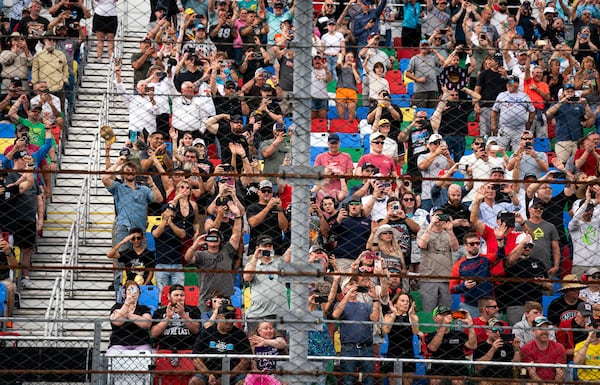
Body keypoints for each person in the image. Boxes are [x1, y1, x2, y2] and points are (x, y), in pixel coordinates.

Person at [185, 211, 242, 310]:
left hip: (225, 298)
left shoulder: (227, 250)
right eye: (210, 237)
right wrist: (195, 245)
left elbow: (236, 235)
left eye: (215, 237)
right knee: (205, 323)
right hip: (206, 298)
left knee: (225, 323)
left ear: (220, 240)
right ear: (206, 239)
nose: (213, 239)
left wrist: (237, 216)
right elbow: (187, 258)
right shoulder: (200, 255)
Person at [332, 275, 381, 385]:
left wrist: (375, 299)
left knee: (369, 381)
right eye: (350, 284)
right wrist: (348, 294)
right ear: (344, 289)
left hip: (366, 348)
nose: (354, 287)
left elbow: (375, 318)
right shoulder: (339, 305)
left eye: (355, 285)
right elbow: (335, 314)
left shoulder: (365, 305)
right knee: (347, 381)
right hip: (348, 348)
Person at [190, 304, 251, 385]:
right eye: (227, 317)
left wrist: (227, 376)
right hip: (209, 372)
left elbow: (245, 361)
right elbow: (196, 359)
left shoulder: (240, 334)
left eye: (233, 317)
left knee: (243, 382)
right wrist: (209, 375)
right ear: (218, 317)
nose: (231, 320)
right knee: (195, 381)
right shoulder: (207, 332)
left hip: (233, 374)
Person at [243, 236, 290, 332]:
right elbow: (247, 277)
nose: (267, 248)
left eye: (270, 246)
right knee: (256, 345)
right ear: (257, 248)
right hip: (257, 314)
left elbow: (291, 251)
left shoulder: (280, 262)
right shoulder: (252, 264)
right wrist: (255, 257)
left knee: (279, 345)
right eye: (264, 246)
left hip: (278, 314)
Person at [417, 206, 459, 312]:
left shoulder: (448, 233)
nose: (439, 218)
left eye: (441, 215)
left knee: (445, 311)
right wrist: (431, 224)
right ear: (430, 217)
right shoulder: (423, 231)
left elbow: (455, 248)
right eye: (436, 215)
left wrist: (450, 230)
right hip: (428, 278)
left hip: (446, 278)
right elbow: (422, 244)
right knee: (429, 310)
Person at [426, 306, 477, 385]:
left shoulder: (458, 334)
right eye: (442, 315)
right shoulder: (430, 335)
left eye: (447, 314)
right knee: (434, 381)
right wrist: (444, 326)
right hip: (439, 367)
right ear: (434, 318)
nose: (445, 317)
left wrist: (470, 324)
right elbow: (433, 348)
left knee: (457, 382)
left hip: (457, 367)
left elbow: (472, 346)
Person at [545, 83, 595, 164]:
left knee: (577, 163)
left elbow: (588, 116)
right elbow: (548, 114)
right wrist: (561, 102)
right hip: (563, 139)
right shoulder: (558, 104)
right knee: (562, 163)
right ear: (563, 93)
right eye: (567, 91)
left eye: (572, 91)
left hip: (577, 139)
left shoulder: (579, 105)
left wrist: (585, 104)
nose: (570, 93)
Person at [381, 292, 421, 385]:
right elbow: (385, 330)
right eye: (402, 300)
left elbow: (415, 331)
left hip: (408, 353)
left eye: (407, 301)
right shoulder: (388, 316)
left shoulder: (413, 317)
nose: (406, 303)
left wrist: (411, 315)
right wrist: (394, 314)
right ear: (395, 304)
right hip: (393, 352)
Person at [151, 284, 202, 350]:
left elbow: (196, 330)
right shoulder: (159, 311)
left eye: (182, 295)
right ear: (169, 296)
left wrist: (183, 315)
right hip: (165, 347)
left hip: (188, 347)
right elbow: (153, 334)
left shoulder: (194, 310)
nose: (179, 298)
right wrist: (168, 317)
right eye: (176, 295)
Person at [490, 75, 535, 151]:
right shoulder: (502, 95)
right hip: (504, 128)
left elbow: (532, 111)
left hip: (520, 129)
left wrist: (528, 124)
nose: (508, 84)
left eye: (511, 82)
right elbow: (494, 111)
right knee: (501, 151)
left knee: (518, 152)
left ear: (517, 84)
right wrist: (493, 125)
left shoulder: (524, 96)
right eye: (507, 82)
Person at [107, 281, 153, 354]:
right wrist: (127, 303)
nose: (132, 292)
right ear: (124, 294)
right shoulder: (117, 306)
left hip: (140, 343)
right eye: (129, 290)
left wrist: (127, 314)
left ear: (139, 293)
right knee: (114, 352)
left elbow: (146, 324)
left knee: (145, 352)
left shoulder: (143, 308)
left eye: (135, 290)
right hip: (119, 343)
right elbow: (117, 322)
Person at [473, 318, 521, 383]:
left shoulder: (507, 345)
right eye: (494, 330)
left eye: (500, 330)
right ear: (487, 332)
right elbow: (478, 367)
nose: (498, 333)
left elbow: (516, 366)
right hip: (487, 380)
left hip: (506, 380)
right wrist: (493, 349)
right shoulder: (480, 346)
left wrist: (516, 349)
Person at [520, 316, 566, 383]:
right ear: (534, 331)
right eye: (541, 328)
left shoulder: (559, 347)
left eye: (546, 328)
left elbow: (560, 372)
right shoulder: (527, 348)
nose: (544, 331)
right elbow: (532, 373)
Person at [151, 204, 186, 291]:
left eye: (172, 213)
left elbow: (182, 235)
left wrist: (170, 223)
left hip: (177, 263)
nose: (171, 215)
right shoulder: (155, 227)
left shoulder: (178, 226)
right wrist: (165, 220)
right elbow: (156, 234)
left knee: (178, 290)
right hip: (161, 264)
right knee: (161, 291)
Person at [417, 134, 454, 212]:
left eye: (439, 143)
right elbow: (422, 167)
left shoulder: (446, 158)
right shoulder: (423, 156)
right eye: (435, 143)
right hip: (427, 194)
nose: (438, 145)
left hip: (442, 194)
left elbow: (453, 171)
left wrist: (448, 157)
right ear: (429, 145)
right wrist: (435, 154)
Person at [246, 321, 287, 385]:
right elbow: (253, 363)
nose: (269, 331)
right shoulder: (254, 342)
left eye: (271, 328)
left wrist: (265, 342)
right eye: (265, 328)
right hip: (261, 375)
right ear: (259, 331)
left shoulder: (277, 339)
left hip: (277, 374)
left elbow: (283, 344)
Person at [405, 39, 441, 108]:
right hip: (420, 90)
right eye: (423, 45)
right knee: (421, 111)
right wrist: (418, 79)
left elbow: (443, 63)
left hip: (432, 90)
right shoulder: (415, 58)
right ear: (419, 47)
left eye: (426, 45)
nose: (424, 47)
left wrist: (435, 51)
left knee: (432, 112)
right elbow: (407, 73)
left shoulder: (432, 58)